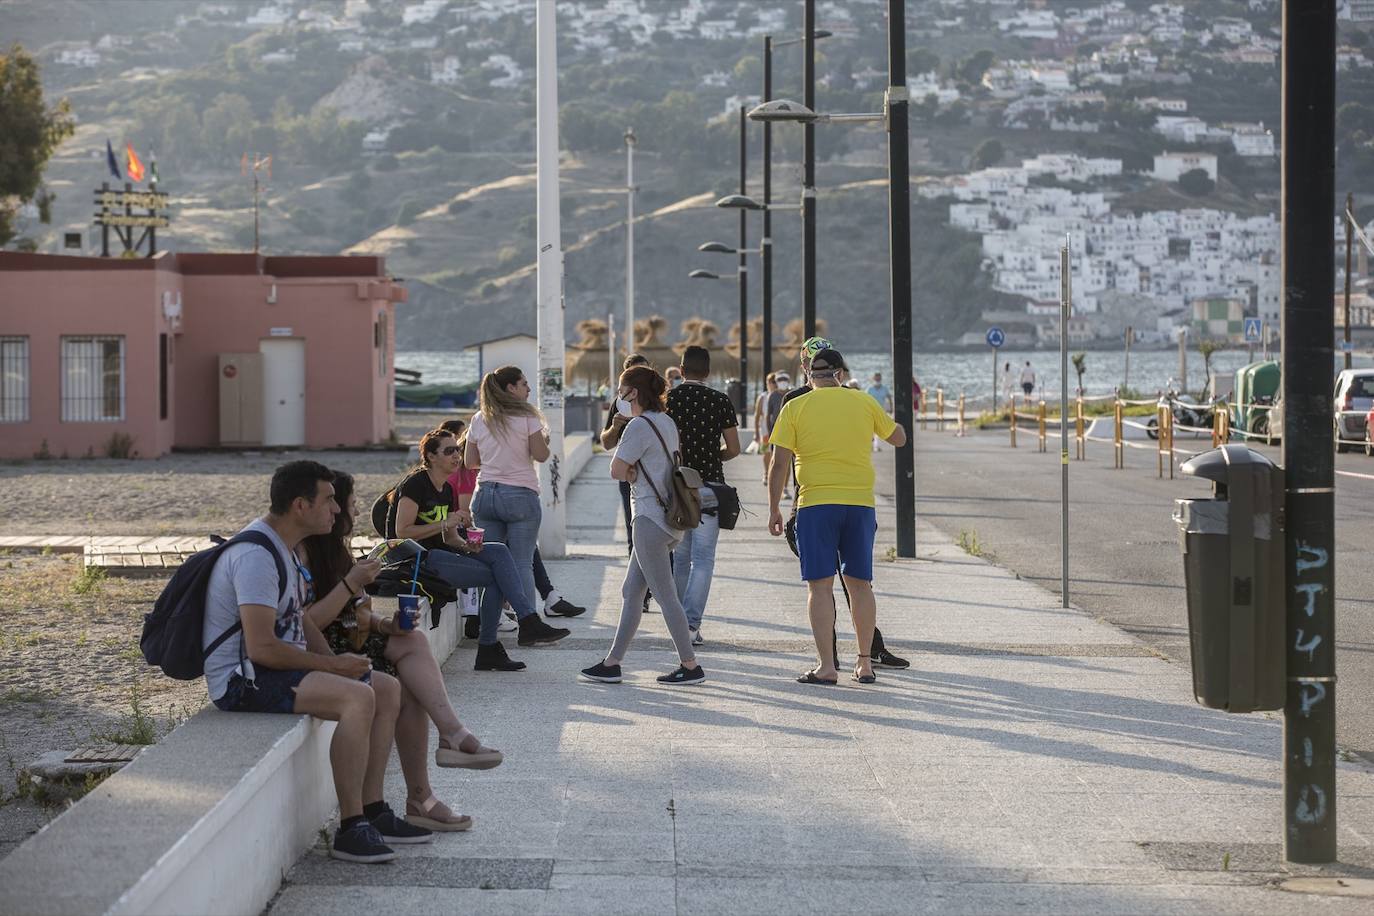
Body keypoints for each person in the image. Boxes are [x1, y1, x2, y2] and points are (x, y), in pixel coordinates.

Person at [203, 460, 427, 863]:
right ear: (300, 505)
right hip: (243, 679)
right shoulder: (256, 555)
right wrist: (333, 668)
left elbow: (300, 619)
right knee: (356, 699)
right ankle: (351, 827)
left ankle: (373, 808)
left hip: (276, 667)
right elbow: (262, 648)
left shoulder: (283, 548)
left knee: (386, 688)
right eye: (328, 500)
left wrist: (338, 659)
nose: (337, 509)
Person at [303, 470, 502, 833]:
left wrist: (385, 625)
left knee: (411, 640)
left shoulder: (337, 551)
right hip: (327, 650)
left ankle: (449, 739)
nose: (347, 510)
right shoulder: (305, 555)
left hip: (352, 638)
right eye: (346, 504)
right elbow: (309, 623)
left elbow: (358, 613)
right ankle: (421, 793)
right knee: (404, 688)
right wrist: (351, 584)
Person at [767, 349, 907, 685]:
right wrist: (888, 418)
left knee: (820, 587)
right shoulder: (862, 402)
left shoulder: (794, 408)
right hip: (859, 504)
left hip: (816, 505)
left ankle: (827, 666)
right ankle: (864, 663)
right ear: (840, 374)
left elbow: (779, 464)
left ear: (809, 376)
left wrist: (774, 508)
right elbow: (898, 438)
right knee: (860, 585)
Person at [394, 428, 568, 672]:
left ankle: (521, 624)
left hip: (441, 553)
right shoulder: (416, 484)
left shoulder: (446, 489)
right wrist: (445, 522)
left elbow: (449, 537)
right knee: (495, 577)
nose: (457, 455)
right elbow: (402, 532)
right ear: (431, 456)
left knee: (497, 551)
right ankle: (500, 639)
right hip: (417, 560)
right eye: (449, 451)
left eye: (458, 449)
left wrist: (467, 545)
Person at [581, 365, 705, 686]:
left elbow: (616, 469)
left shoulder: (638, 425)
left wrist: (631, 471)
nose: (618, 396)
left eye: (621, 390)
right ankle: (613, 663)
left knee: (665, 596)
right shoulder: (666, 422)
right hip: (669, 518)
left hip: (649, 518)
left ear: (633, 392)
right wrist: (634, 470)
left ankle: (690, 666)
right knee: (631, 591)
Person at [440, 419, 584, 621]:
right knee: (521, 555)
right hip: (462, 533)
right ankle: (538, 606)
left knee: (524, 547)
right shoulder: (469, 475)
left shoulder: (475, 470)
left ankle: (544, 599)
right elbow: (465, 516)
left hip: (465, 528)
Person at [467, 365, 551, 638]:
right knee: (522, 563)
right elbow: (541, 455)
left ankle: (486, 630)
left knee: (489, 564)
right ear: (510, 388)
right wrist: (543, 441)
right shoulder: (527, 417)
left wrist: (496, 458)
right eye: (524, 384)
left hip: (486, 495)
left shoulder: (480, 418)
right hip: (520, 496)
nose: (529, 389)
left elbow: (470, 462)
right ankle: (529, 627)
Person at [666, 345, 741, 646]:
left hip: (676, 487)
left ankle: (678, 623)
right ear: (708, 373)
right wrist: (714, 457)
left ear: (681, 371)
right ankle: (692, 624)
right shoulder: (720, 400)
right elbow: (734, 448)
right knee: (704, 559)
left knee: (680, 557)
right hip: (709, 486)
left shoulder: (667, 400)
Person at [602, 354, 652, 557]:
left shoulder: (662, 402)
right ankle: (640, 584)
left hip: (658, 475)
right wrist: (615, 428)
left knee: (663, 533)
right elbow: (606, 443)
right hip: (629, 477)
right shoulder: (619, 403)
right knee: (634, 531)